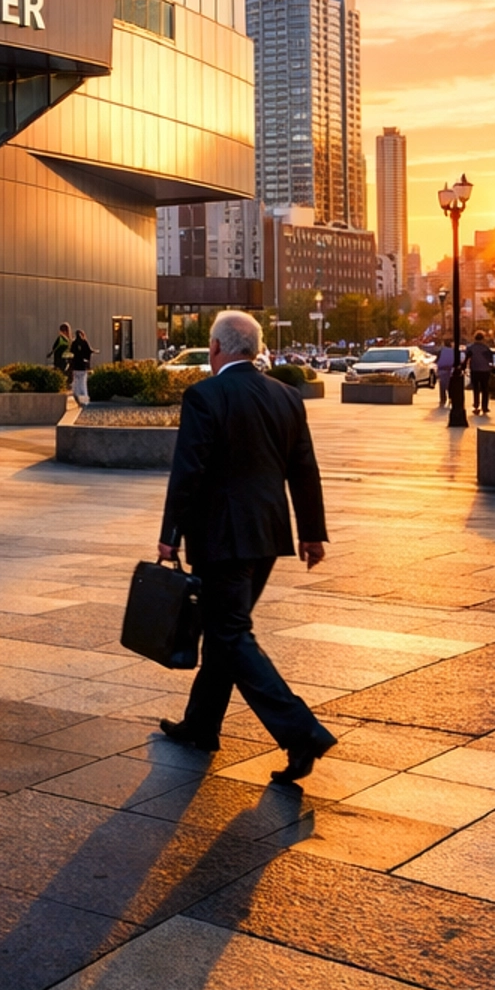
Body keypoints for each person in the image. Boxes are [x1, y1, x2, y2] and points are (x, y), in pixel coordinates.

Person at [156, 308, 335, 786]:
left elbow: (187, 472)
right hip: (269, 536)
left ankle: (302, 733)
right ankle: (200, 726)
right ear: (252, 349)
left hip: (221, 538)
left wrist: (169, 537)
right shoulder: (285, 395)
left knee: (231, 634)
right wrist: (311, 532)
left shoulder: (204, 395)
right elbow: (304, 468)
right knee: (224, 632)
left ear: (216, 348)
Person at [467, 332, 494, 417]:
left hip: (474, 370)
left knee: (476, 388)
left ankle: (476, 405)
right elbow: (490, 360)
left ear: (474, 338)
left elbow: (467, 357)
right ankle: (485, 407)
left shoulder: (470, 348)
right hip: (485, 370)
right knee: (485, 389)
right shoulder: (486, 348)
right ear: (483, 338)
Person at [69, 328, 92, 404]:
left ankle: (77, 398)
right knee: (83, 383)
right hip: (82, 367)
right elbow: (88, 352)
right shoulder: (84, 342)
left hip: (75, 367)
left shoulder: (73, 343)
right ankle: (84, 400)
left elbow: (71, 354)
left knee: (76, 383)